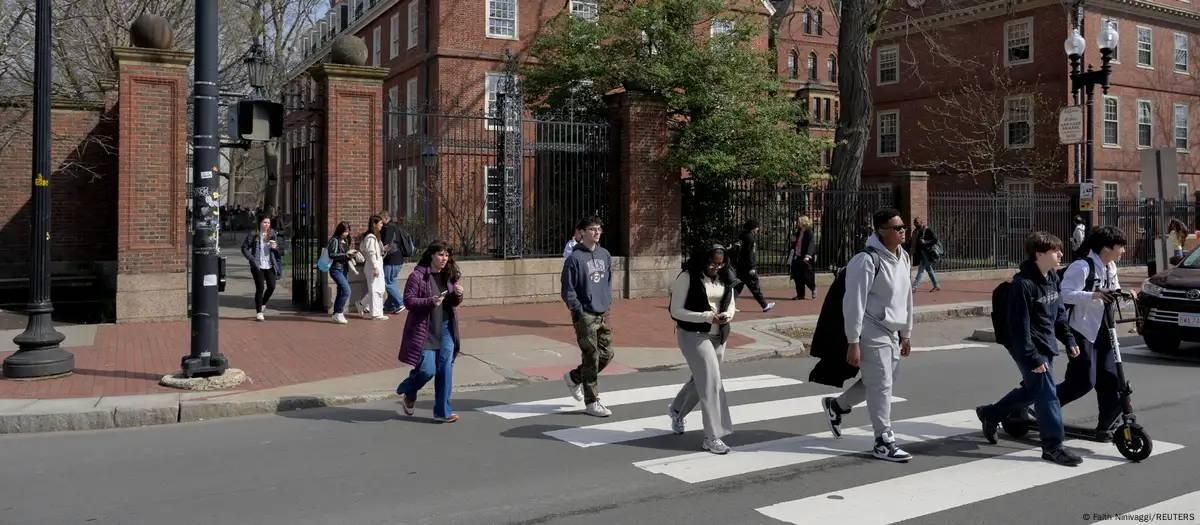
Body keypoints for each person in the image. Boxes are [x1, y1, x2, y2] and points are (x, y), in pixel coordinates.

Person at [976, 231, 1083, 466]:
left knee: (1034, 390)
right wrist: (1032, 357)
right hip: (1028, 347)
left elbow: (1058, 314)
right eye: (1055, 250)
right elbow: (1018, 327)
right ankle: (1053, 447)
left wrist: (1069, 339)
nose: (1061, 254)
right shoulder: (1022, 286)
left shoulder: (1052, 278)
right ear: (1039, 254)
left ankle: (991, 413)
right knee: (1048, 396)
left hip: (1045, 343)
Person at [820, 208, 914, 462]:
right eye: (897, 228)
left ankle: (837, 406)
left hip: (891, 330)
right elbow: (854, 304)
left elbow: (906, 297)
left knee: (885, 379)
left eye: (903, 227)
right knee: (882, 383)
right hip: (871, 329)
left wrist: (906, 333)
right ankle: (883, 440)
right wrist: (853, 341)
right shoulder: (865, 260)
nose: (903, 231)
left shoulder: (903, 257)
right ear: (881, 231)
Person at [667, 243, 738, 455]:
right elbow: (676, 311)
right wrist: (706, 316)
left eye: (720, 263)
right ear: (702, 260)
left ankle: (677, 410)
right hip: (693, 335)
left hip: (719, 335)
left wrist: (728, 315)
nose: (716, 267)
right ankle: (712, 437)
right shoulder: (687, 277)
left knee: (703, 380)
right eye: (712, 263)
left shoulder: (726, 275)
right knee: (712, 382)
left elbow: (731, 302)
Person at [1058, 225, 1127, 441]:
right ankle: (1041, 405)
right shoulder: (1082, 267)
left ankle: (1106, 423)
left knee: (1110, 378)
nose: (1123, 251)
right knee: (1082, 381)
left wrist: (1125, 296)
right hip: (1082, 329)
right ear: (1106, 248)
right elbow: (1064, 295)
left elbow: (1111, 294)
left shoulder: (1110, 266)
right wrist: (1093, 295)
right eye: (1120, 246)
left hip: (1104, 329)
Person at [396, 241, 465, 423]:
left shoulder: (449, 275)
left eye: (447, 255)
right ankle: (409, 391)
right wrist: (429, 301)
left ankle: (443, 411)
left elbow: (453, 303)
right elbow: (408, 301)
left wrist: (458, 294)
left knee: (445, 369)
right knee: (427, 370)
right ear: (431, 255)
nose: (444, 259)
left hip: (446, 328)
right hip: (425, 329)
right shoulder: (417, 276)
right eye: (440, 255)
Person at [561, 216, 615, 417]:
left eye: (599, 228)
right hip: (585, 314)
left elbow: (608, 281)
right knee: (591, 356)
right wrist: (578, 309)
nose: (597, 232)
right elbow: (568, 289)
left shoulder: (605, 254)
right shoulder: (574, 259)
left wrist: (607, 300)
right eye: (592, 229)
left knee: (607, 353)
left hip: (602, 311)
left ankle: (575, 377)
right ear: (582, 232)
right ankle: (592, 401)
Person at [241, 214, 283, 322]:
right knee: (260, 288)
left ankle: (263, 303)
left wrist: (275, 247)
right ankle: (259, 312)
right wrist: (251, 259)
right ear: (260, 223)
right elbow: (244, 248)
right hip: (257, 265)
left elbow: (280, 250)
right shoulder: (254, 234)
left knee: (272, 286)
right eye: (264, 222)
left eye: (268, 223)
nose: (266, 225)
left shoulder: (272, 233)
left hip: (270, 264)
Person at [732, 220, 776, 313]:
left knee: (738, 286)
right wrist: (752, 267)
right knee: (754, 286)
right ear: (753, 228)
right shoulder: (750, 238)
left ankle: (730, 305)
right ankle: (764, 305)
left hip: (741, 266)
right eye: (756, 227)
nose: (757, 229)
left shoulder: (741, 235)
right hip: (748, 267)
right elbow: (749, 254)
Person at [356, 215, 389, 321]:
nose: (382, 226)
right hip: (373, 267)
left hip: (377, 265)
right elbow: (371, 253)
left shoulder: (375, 237)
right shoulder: (370, 237)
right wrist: (375, 266)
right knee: (375, 290)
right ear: (374, 224)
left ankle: (363, 305)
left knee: (380, 289)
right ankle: (375, 313)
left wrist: (384, 250)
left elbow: (376, 252)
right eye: (380, 223)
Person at [327, 221, 358, 324]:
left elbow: (345, 254)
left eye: (348, 231)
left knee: (341, 291)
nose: (347, 233)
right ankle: (339, 313)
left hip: (344, 268)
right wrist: (346, 255)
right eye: (345, 231)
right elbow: (331, 254)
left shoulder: (345, 240)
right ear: (340, 230)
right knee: (346, 290)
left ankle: (336, 313)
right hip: (336, 269)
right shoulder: (334, 240)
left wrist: (352, 254)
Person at [380, 211, 408, 315]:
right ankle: (389, 305)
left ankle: (400, 303)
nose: (380, 223)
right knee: (392, 282)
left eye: (381, 220)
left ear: (385, 218)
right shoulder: (397, 226)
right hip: (399, 259)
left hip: (391, 259)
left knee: (387, 283)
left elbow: (386, 243)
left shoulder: (388, 228)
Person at [789, 216, 817, 300]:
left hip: (805, 257)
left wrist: (808, 255)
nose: (797, 223)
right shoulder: (798, 231)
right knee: (797, 277)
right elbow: (795, 242)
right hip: (797, 256)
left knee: (807, 276)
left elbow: (811, 244)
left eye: (799, 221)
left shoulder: (809, 232)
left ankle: (813, 288)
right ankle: (800, 295)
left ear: (803, 222)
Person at [910, 217, 941, 292]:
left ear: (921, 222)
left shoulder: (927, 230)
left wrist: (925, 242)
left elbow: (935, 239)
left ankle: (914, 287)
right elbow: (914, 243)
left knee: (920, 270)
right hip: (920, 254)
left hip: (927, 253)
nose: (915, 224)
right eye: (914, 222)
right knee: (929, 270)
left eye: (917, 222)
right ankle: (936, 285)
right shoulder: (915, 231)